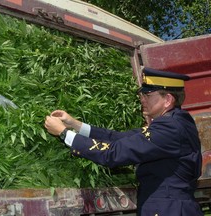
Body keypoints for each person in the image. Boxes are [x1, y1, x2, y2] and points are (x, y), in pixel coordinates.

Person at [44, 67, 203, 216]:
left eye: (147, 95)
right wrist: (74, 124)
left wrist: (64, 134)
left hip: (168, 209)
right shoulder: (173, 123)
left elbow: (114, 153)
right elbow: (118, 138)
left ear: (168, 99)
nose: (142, 100)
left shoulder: (170, 129)